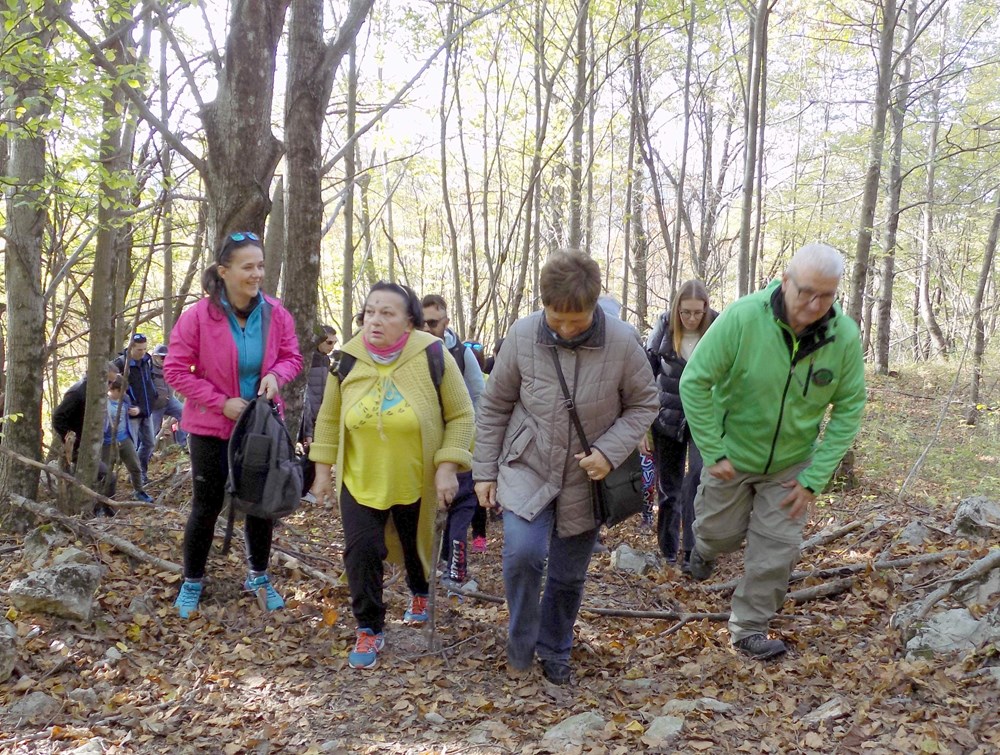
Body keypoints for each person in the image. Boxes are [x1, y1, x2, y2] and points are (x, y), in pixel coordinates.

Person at [473, 251, 657, 685]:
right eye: (558, 319)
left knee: (568, 575)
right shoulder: (521, 336)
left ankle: (556, 648)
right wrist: (484, 471)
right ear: (544, 305)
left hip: (587, 480)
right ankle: (521, 644)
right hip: (527, 466)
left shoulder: (622, 341)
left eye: (577, 320)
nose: (567, 328)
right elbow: (496, 404)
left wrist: (609, 451)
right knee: (522, 554)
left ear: (596, 305)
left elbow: (645, 402)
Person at [679, 242, 866, 660]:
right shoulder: (744, 317)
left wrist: (815, 477)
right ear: (785, 282)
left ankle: (748, 628)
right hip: (731, 455)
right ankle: (703, 550)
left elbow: (850, 408)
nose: (816, 304)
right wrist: (712, 450)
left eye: (827, 295)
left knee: (775, 550)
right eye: (807, 293)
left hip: (791, 465)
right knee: (717, 533)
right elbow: (694, 381)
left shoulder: (843, 337)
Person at [310, 282, 474, 670]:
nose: (376, 320)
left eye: (388, 313)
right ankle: (369, 626)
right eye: (370, 312)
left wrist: (448, 466)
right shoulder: (346, 359)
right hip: (359, 476)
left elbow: (462, 414)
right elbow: (329, 420)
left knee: (413, 540)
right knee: (361, 551)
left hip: (416, 475)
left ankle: (419, 590)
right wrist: (321, 473)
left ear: (410, 321)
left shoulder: (432, 354)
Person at [164, 230, 303, 619]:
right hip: (211, 427)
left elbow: (292, 355)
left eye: (260, 265)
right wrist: (220, 402)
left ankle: (258, 575)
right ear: (224, 271)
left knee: (261, 504)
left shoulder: (276, 313)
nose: (256, 273)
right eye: (247, 267)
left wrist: (276, 375)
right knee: (206, 505)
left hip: (261, 426)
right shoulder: (197, 316)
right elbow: (175, 369)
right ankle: (192, 581)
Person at [644, 280, 716, 569]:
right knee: (668, 488)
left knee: (698, 479)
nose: (691, 318)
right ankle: (668, 550)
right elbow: (645, 375)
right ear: (676, 309)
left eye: (697, 313)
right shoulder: (663, 327)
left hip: (703, 419)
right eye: (685, 312)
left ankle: (692, 551)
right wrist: (644, 424)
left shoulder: (718, 328)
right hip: (666, 417)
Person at [421, 294, 485, 588]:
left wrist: (478, 442)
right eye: (421, 322)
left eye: (433, 322)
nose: (426, 327)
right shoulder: (410, 352)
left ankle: (455, 570)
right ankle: (422, 571)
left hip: (460, 445)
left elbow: (478, 399)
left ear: (445, 323)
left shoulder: (462, 354)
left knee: (462, 505)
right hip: (421, 446)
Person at [52, 361, 121, 515]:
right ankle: (105, 511)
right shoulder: (78, 392)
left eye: (112, 383)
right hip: (78, 448)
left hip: (91, 445)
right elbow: (58, 417)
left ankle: (98, 510)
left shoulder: (94, 392)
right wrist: (71, 439)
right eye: (108, 382)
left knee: (98, 478)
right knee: (108, 476)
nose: (110, 387)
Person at [113, 333, 159, 485]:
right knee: (131, 447)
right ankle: (135, 478)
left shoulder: (147, 361)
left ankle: (141, 473)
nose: (142, 352)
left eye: (145, 349)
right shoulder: (120, 364)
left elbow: (149, 383)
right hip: (130, 413)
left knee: (149, 443)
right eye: (139, 349)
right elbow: (114, 390)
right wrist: (129, 405)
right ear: (131, 347)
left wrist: (152, 399)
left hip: (146, 410)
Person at [300, 325, 338, 503]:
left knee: (316, 455)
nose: (332, 346)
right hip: (312, 415)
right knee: (310, 456)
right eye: (329, 342)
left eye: (334, 343)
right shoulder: (309, 359)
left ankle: (312, 488)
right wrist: (307, 427)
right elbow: (307, 395)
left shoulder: (326, 360)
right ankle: (303, 489)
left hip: (323, 413)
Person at [103, 377, 153, 503]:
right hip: (108, 442)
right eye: (121, 391)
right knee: (107, 472)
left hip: (125, 438)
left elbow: (133, 410)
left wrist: (136, 411)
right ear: (113, 390)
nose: (123, 394)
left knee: (135, 466)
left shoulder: (125, 400)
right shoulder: (104, 403)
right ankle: (106, 499)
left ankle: (139, 491)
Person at [149, 344, 187, 450]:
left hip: (170, 400)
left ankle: (182, 446)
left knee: (184, 413)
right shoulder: (147, 368)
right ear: (154, 356)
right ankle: (147, 455)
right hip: (155, 405)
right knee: (152, 430)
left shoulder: (171, 366)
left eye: (167, 357)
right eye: (162, 357)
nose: (164, 359)